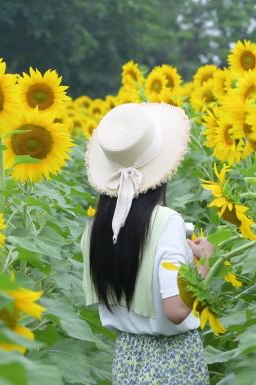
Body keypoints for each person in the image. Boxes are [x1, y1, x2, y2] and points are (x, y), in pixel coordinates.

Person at [81, 102, 213, 384]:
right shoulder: (166, 223)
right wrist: (202, 264)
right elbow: (176, 310)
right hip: (172, 360)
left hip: (127, 357)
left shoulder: (96, 227)